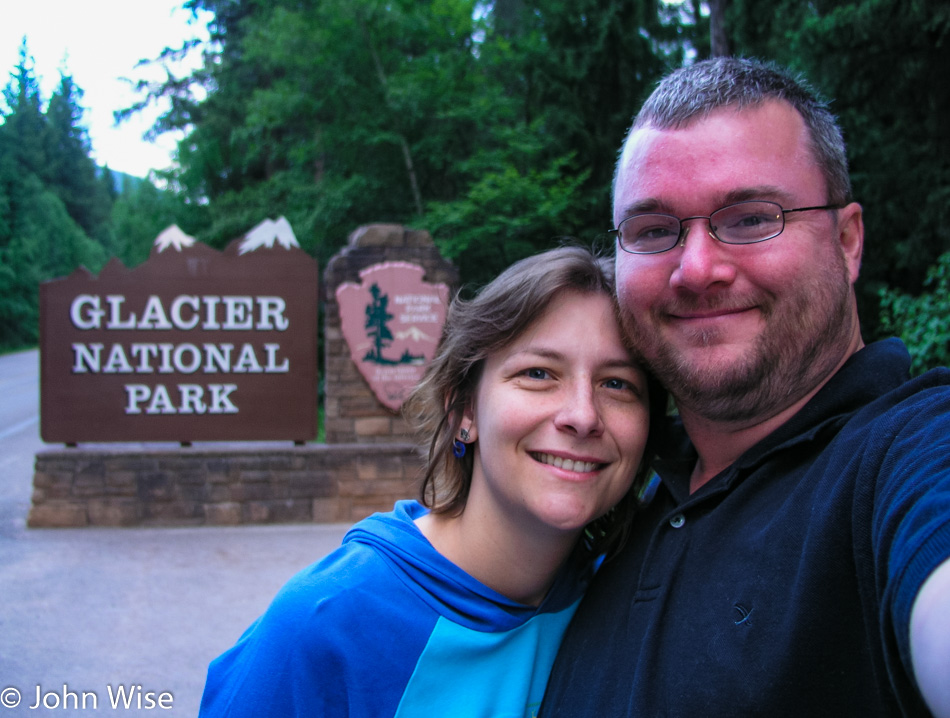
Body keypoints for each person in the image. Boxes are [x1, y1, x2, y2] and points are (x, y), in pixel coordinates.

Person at [540, 58, 950, 717]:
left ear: (847, 242)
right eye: (652, 231)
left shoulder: (907, 459)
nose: (696, 269)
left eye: (752, 218)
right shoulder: (608, 484)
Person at [199, 245, 662, 717]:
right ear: (463, 410)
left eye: (617, 384)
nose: (582, 416)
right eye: (538, 373)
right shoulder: (325, 623)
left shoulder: (635, 599)